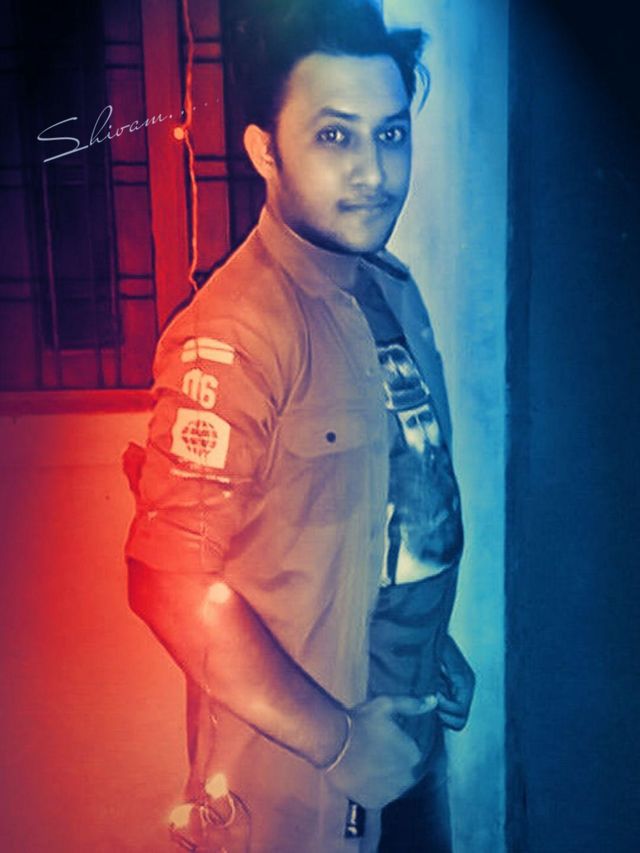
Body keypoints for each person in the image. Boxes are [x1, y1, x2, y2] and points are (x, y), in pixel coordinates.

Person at [124, 2, 474, 850]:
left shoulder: (389, 294)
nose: (373, 171)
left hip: (411, 733)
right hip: (307, 782)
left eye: (391, 135)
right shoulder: (237, 333)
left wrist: (429, 641)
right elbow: (166, 582)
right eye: (335, 136)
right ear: (263, 151)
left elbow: (389, 507)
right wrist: (343, 742)